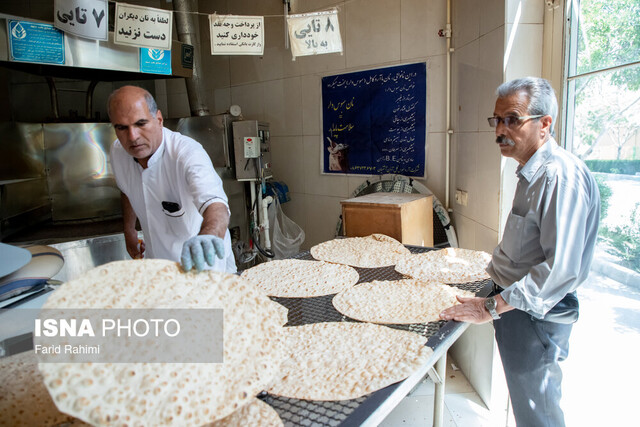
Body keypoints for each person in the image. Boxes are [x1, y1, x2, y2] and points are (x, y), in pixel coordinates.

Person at [440, 77, 600, 427]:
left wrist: (490, 306)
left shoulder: (558, 177)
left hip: (536, 317)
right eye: (496, 119)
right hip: (517, 309)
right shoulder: (532, 173)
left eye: (512, 119)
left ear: (545, 124)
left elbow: (560, 268)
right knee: (528, 407)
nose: (500, 129)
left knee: (538, 412)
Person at [108, 85, 236, 273]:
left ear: (158, 119)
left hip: (204, 268)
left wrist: (209, 236)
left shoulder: (186, 153)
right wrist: (129, 229)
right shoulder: (119, 151)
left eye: (141, 124)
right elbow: (127, 189)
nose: (133, 137)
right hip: (159, 266)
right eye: (122, 128)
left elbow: (216, 206)